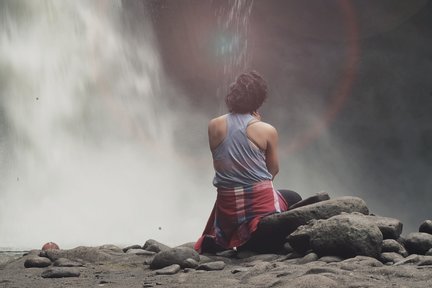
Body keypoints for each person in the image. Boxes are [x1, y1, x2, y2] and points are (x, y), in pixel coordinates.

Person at [194, 71, 303, 253]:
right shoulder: (267, 130)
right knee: (294, 198)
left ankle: (228, 237)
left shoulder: (214, 125)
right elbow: (273, 170)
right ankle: (264, 238)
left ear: (232, 96)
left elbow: (222, 164)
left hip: (227, 210)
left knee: (285, 196)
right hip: (259, 210)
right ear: (259, 101)